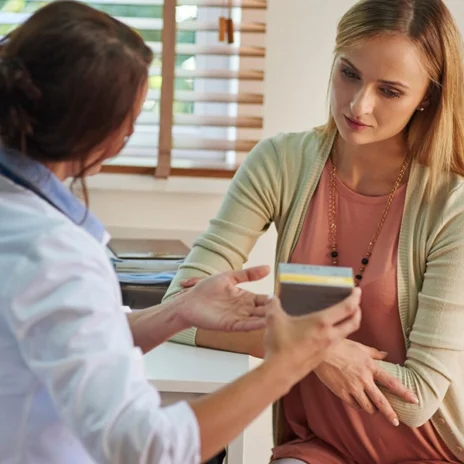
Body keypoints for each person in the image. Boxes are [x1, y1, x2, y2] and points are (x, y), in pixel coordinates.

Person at [0, 2, 363, 464]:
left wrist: (180, 311)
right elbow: (148, 446)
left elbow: (67, 339)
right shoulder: (55, 254)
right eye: (134, 117)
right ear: (104, 134)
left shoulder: (23, 224)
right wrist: (288, 364)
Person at [163, 0, 464, 462]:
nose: (359, 104)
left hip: (427, 452)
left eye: (389, 90)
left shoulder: (450, 206)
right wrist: (323, 353)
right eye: (349, 73)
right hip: (319, 447)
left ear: (426, 96)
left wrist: (303, 347)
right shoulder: (282, 164)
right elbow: (178, 312)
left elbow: (419, 399)